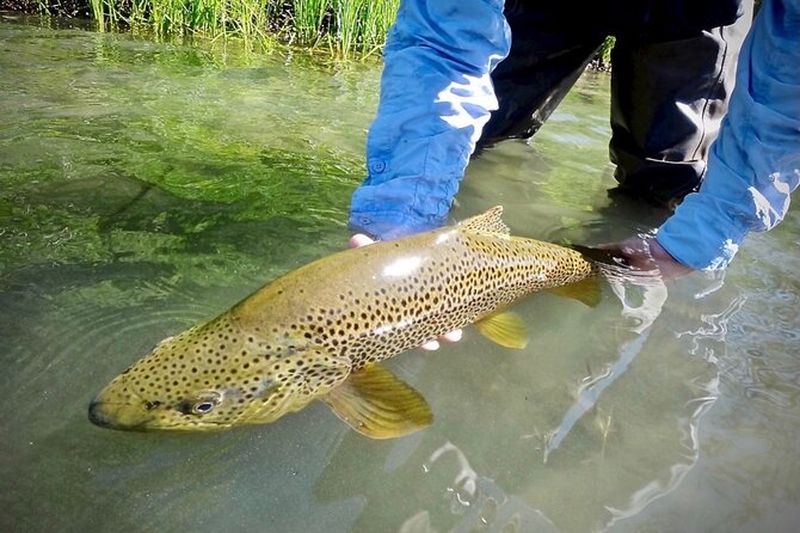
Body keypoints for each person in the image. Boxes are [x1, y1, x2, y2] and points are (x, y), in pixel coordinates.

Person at [349, 0, 799, 276]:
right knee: (478, 144)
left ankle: (619, 296)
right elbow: (443, 40)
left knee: (662, 190)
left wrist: (703, 237)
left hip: (695, 11)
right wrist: (406, 211)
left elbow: (788, 86)